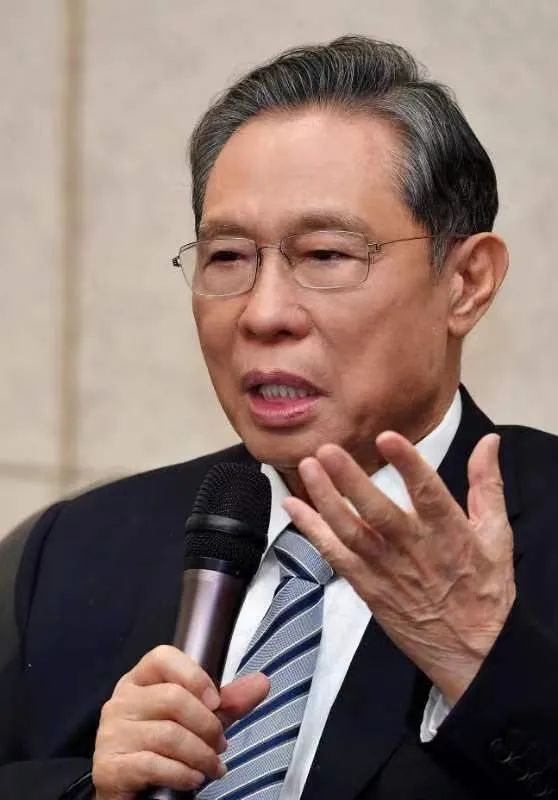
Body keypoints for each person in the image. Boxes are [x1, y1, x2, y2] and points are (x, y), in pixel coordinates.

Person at [1, 35, 557, 800]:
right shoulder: (73, 551)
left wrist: (483, 665)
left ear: (466, 281)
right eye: (228, 257)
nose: (263, 314)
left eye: (325, 255)